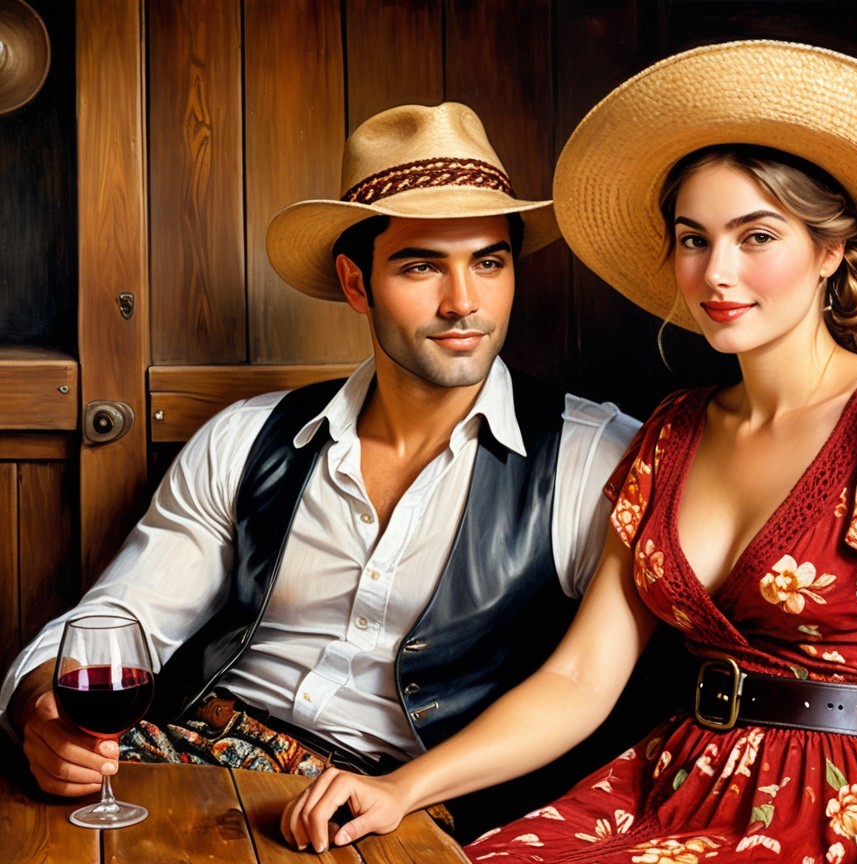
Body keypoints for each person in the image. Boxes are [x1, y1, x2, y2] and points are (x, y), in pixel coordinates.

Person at [280, 42, 857, 863]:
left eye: (756, 236)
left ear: (830, 251)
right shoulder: (673, 431)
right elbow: (581, 679)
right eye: (694, 239)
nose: (716, 273)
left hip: (828, 803)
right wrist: (403, 787)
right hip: (662, 782)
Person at [0, 102, 642, 839]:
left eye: (488, 262)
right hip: (195, 759)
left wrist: (402, 791)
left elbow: (585, 682)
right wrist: (43, 709)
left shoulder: (595, 459)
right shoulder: (246, 437)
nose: (463, 302)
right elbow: (122, 621)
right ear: (355, 283)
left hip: (401, 812)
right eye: (421, 265)